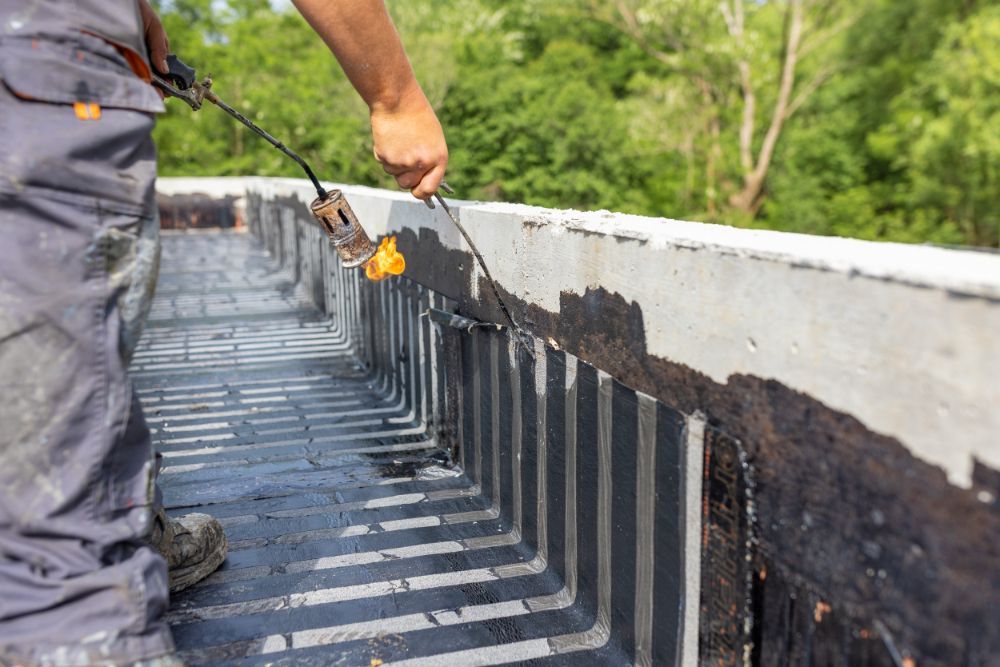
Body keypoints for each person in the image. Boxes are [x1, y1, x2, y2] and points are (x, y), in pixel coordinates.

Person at [0, 0, 448, 663]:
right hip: (41, 93)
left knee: (79, 367)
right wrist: (397, 97)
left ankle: (130, 521)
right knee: (58, 543)